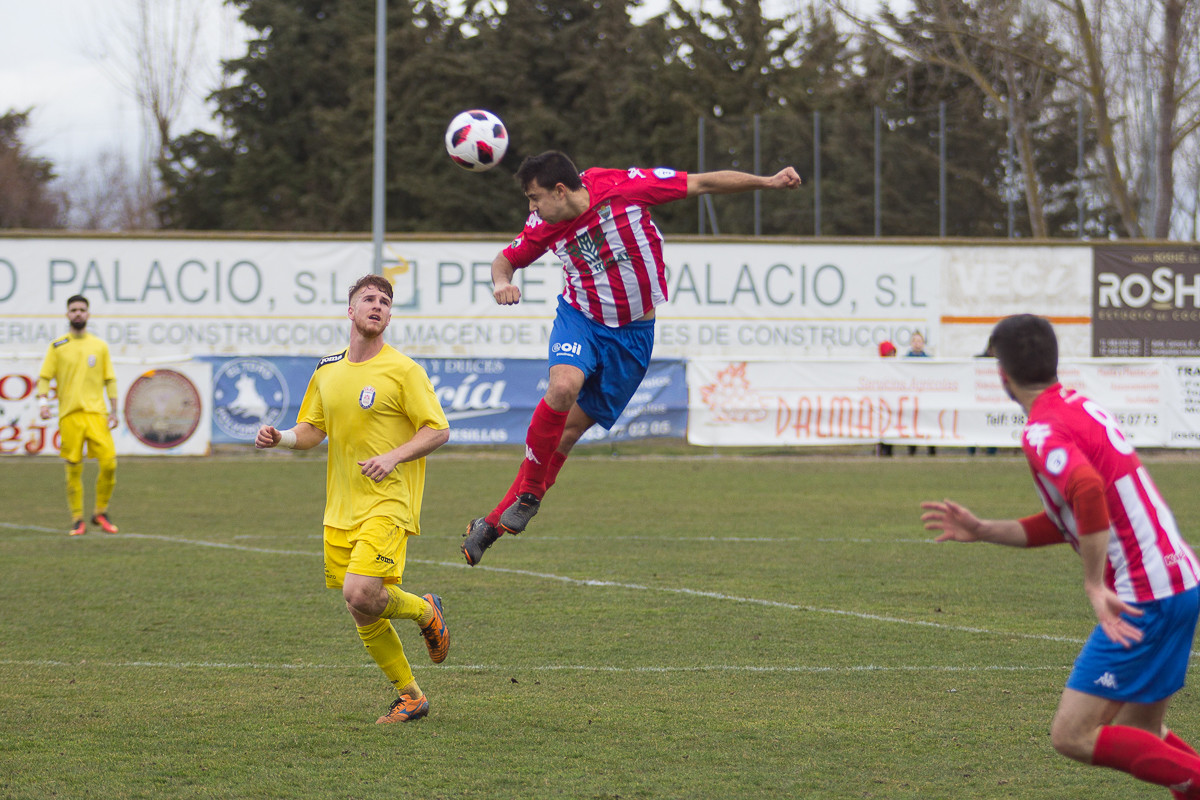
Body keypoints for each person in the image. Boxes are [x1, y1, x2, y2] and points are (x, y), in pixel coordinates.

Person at [462, 150, 803, 565]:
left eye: (534, 199)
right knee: (564, 386)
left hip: (633, 338)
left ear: (560, 190)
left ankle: (492, 525)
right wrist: (501, 283)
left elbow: (703, 182)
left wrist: (767, 181)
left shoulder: (624, 187)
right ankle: (530, 494)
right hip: (581, 319)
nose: (530, 209)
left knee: (567, 435)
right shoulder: (542, 226)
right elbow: (505, 260)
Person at [920, 313, 1200, 798]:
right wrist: (985, 530)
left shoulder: (1042, 431)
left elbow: (1088, 492)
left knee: (1071, 735)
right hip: (1179, 583)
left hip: (1143, 595)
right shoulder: (1080, 406)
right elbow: (1072, 518)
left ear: (1001, 374)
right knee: (1141, 734)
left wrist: (1094, 584)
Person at [255, 274, 451, 724]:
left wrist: (394, 456)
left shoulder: (404, 370)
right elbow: (312, 431)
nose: (377, 305)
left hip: (389, 500)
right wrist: (280, 437)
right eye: (368, 299)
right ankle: (411, 696)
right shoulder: (327, 370)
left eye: (385, 301)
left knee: (360, 591)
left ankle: (425, 612)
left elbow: (437, 429)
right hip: (341, 508)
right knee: (361, 606)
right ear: (350, 310)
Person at [37, 295, 120, 537]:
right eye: (73, 310)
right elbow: (44, 377)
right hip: (69, 415)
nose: (78, 314)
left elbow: (110, 379)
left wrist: (115, 410)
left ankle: (100, 512)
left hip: (96, 415)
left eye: (82, 309)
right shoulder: (58, 346)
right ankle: (77, 519)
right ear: (67, 314)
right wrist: (43, 402)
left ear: (88, 314)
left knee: (109, 464)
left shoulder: (99, 346)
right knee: (73, 468)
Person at [904, 331, 935, 455]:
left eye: (919, 341)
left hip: (926, 397)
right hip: (911, 397)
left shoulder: (929, 360)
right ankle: (912, 450)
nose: (917, 344)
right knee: (911, 423)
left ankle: (931, 449)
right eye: (915, 341)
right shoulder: (904, 360)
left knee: (929, 422)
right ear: (911, 343)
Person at [876, 341, 897, 456]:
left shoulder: (897, 368)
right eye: (889, 353)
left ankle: (888, 450)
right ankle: (882, 449)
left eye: (893, 353)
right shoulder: (879, 368)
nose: (892, 356)